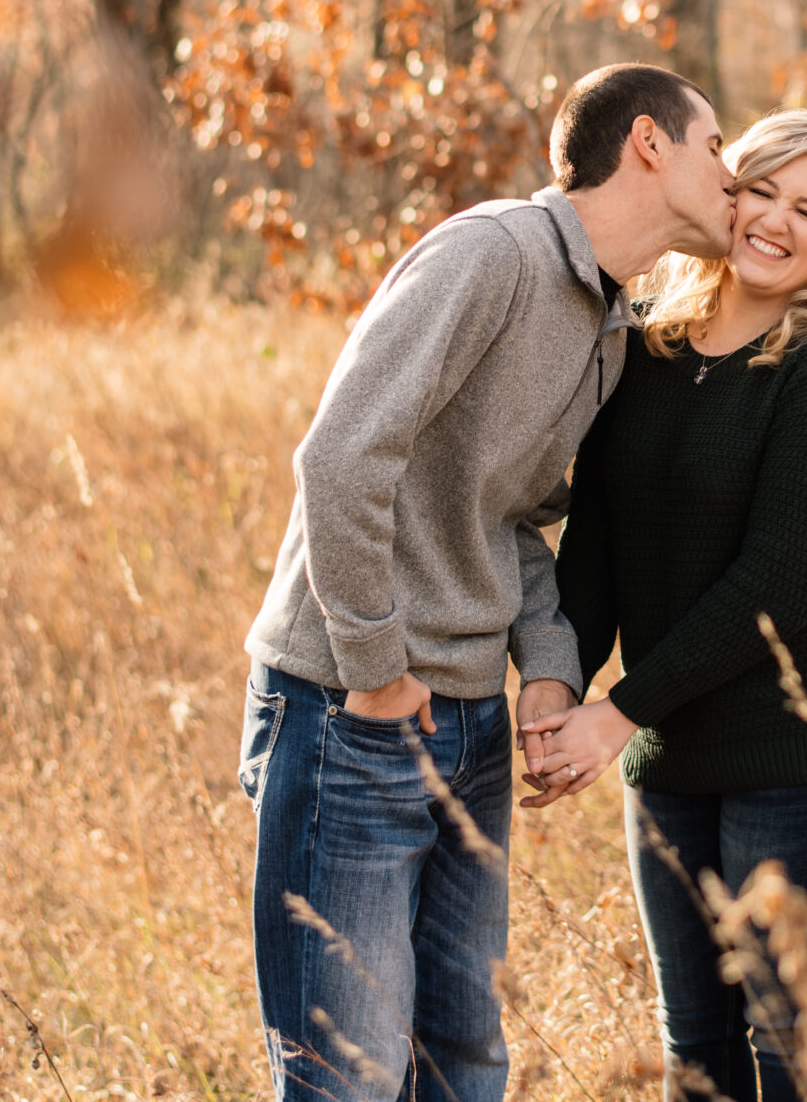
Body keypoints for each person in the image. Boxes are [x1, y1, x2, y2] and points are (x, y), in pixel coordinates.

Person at [236, 63, 733, 1102]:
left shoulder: (606, 325)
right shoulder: (492, 253)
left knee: (462, 1068)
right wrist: (375, 672)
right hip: (351, 713)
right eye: (714, 147)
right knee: (348, 1078)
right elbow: (341, 458)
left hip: (466, 726)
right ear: (649, 143)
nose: (733, 178)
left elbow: (504, 520)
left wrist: (547, 673)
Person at [527, 109, 807, 1102]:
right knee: (691, 1037)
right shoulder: (639, 350)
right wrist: (555, 683)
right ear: (725, 191)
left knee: (784, 1034)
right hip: (669, 738)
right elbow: (596, 550)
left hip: (804, 736)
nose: (774, 222)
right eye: (761, 189)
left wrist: (617, 711)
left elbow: (777, 585)